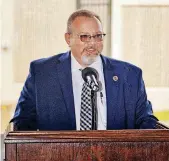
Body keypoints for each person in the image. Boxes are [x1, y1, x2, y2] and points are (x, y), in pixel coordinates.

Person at [11, 9, 158, 130]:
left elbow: (146, 121)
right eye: (85, 37)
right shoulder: (42, 73)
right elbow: (22, 123)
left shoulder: (129, 75)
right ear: (68, 39)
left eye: (98, 36)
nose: (92, 43)